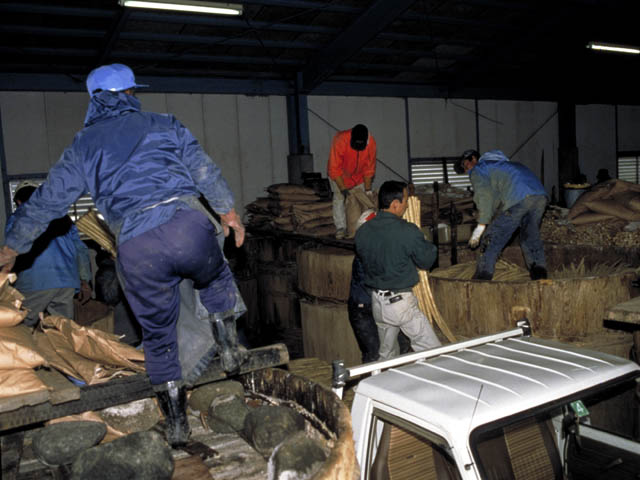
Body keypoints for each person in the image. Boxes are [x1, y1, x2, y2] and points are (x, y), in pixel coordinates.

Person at [0, 63, 246, 447]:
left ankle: (177, 423)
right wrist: (229, 214)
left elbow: (46, 202)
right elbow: (204, 170)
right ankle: (229, 348)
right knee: (215, 278)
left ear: (94, 100)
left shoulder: (84, 145)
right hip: (186, 225)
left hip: (136, 247)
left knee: (159, 336)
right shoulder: (165, 124)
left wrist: (11, 246)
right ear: (129, 94)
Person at [355, 181, 441, 361]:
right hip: (400, 305)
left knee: (387, 354)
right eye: (405, 201)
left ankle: (383, 376)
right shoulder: (407, 230)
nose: (407, 205)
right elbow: (426, 261)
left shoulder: (363, 231)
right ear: (395, 204)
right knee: (433, 352)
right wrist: (425, 243)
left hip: (377, 303)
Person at [6, 181, 92, 327]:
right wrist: (84, 280)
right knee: (63, 328)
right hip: (66, 281)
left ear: (19, 201)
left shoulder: (18, 217)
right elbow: (81, 250)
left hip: (36, 280)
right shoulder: (63, 217)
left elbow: (12, 249)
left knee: (18, 326)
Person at [454, 149, 548, 280]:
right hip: (540, 197)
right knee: (529, 236)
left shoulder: (479, 169)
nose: (466, 170)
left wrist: (481, 226)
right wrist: (492, 215)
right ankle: (539, 275)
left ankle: (482, 276)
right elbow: (496, 199)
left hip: (519, 198)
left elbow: (485, 196)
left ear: (474, 159)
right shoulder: (506, 166)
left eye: (466, 165)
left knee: (491, 238)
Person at [327, 124, 376, 239]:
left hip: (358, 177)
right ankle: (341, 228)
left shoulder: (371, 143)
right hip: (339, 175)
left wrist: (368, 190)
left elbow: (369, 169)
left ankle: (362, 227)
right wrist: (342, 188)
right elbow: (334, 168)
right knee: (339, 199)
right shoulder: (341, 139)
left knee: (362, 199)